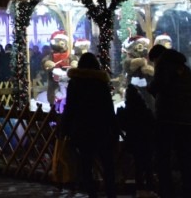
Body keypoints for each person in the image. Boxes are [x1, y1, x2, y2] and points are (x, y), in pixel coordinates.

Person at [58, 52, 117, 198]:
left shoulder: (75, 83)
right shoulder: (101, 83)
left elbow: (70, 107)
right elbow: (108, 107)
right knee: (107, 164)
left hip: (82, 128)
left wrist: (64, 127)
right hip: (101, 128)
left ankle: (92, 193)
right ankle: (111, 192)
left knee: (86, 164)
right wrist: (114, 127)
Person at [147, 44, 191, 198]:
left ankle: (167, 191)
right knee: (185, 158)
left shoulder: (164, 66)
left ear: (157, 57)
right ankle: (189, 190)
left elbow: (158, 85)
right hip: (186, 118)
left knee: (163, 157)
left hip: (167, 118)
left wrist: (150, 89)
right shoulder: (185, 68)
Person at [117, 84, 155, 194]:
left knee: (138, 165)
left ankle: (140, 188)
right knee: (148, 165)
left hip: (133, 142)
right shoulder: (145, 110)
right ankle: (150, 187)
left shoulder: (127, 111)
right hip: (147, 141)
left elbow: (122, 125)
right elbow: (152, 123)